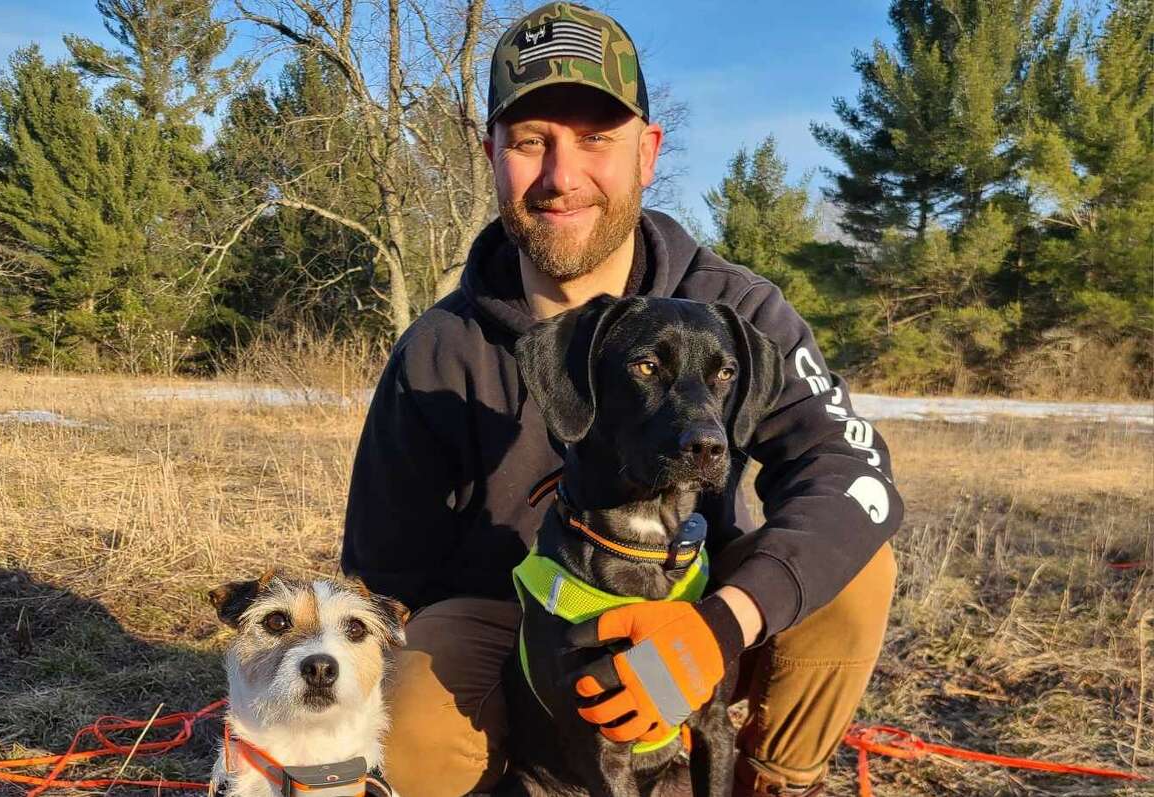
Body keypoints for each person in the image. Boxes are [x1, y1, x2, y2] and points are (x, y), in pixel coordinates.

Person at [341, 3, 902, 795]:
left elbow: (857, 478)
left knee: (856, 567)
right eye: (532, 140)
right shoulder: (440, 350)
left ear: (648, 151)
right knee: (415, 709)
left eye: (596, 138)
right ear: (491, 153)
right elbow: (379, 582)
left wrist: (724, 622)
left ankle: (769, 782)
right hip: (519, 625)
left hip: (699, 604)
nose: (561, 175)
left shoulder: (736, 314)